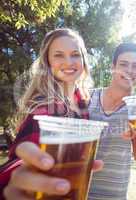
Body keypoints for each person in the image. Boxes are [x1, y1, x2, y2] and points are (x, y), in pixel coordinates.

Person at [0, 28, 104, 199]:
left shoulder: (82, 100)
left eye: (75, 54)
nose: (68, 61)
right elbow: (25, 157)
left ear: (83, 60)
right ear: (47, 62)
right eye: (58, 55)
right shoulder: (43, 105)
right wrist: (16, 183)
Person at [88, 42, 136, 200]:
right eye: (123, 64)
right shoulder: (87, 98)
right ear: (113, 67)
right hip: (78, 193)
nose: (130, 71)